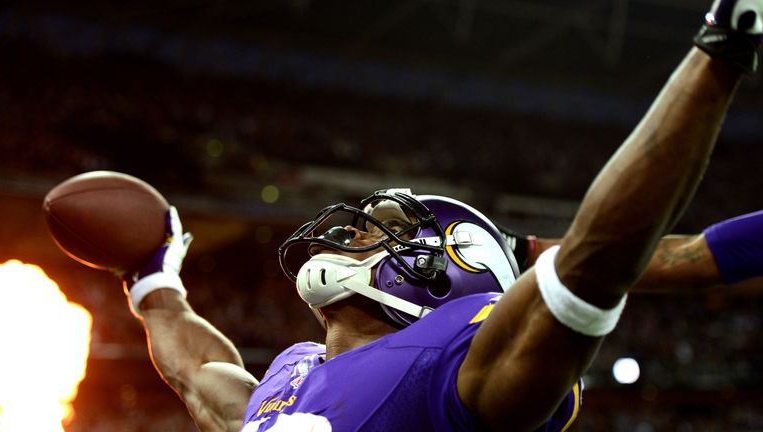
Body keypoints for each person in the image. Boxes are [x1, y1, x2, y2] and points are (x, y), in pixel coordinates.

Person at [118, 1, 763, 431]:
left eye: (386, 228)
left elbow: (595, 263)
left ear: (452, 264)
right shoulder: (290, 373)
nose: (353, 233)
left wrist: (721, 50)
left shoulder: (457, 360)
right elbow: (199, 376)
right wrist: (155, 283)